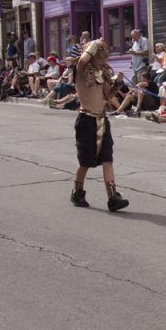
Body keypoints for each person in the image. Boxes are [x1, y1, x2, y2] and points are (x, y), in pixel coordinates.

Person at [69, 40, 129, 212]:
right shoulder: (80, 70)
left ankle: (113, 197)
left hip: (102, 120)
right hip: (86, 120)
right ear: (92, 55)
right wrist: (94, 45)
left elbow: (109, 95)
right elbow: (82, 60)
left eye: (104, 58)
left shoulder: (100, 73)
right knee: (85, 162)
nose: (103, 62)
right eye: (100, 58)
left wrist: (117, 83)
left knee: (107, 159)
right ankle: (77, 192)